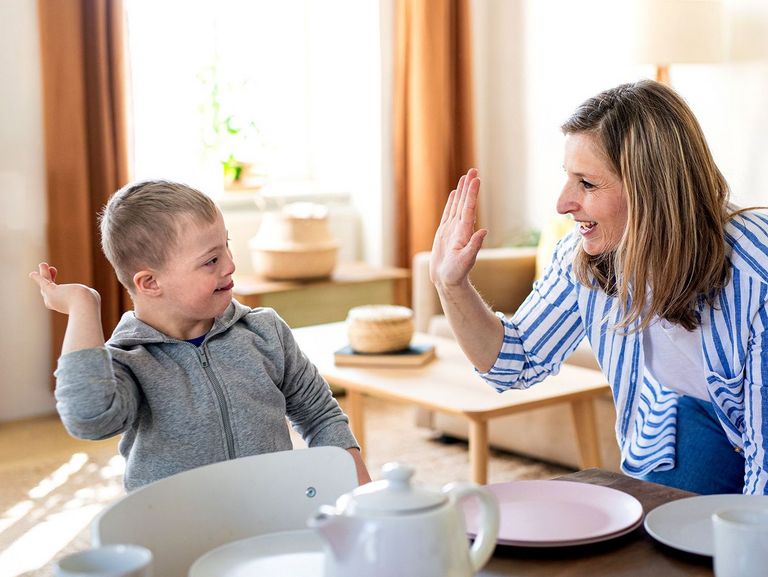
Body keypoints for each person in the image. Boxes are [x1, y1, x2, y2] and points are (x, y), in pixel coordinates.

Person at [430, 79, 768, 495]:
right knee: (657, 536)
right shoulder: (587, 255)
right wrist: (452, 285)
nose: (562, 203)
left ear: (652, 191)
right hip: (693, 411)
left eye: (587, 184)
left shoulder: (756, 274)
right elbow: (512, 364)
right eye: (568, 178)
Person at [30, 180, 371, 491]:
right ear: (150, 283)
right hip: (180, 533)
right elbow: (89, 419)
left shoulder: (264, 331)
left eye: (226, 246)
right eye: (211, 260)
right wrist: (82, 305)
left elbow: (320, 415)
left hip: (273, 512)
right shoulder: (128, 361)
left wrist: (361, 493)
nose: (230, 265)